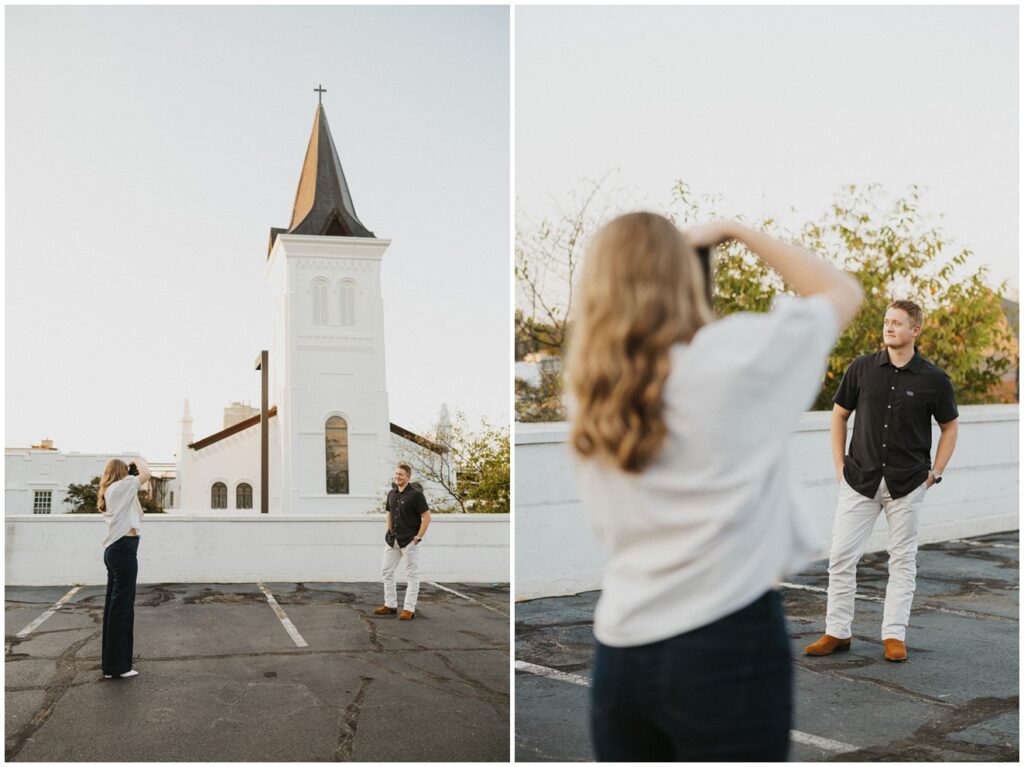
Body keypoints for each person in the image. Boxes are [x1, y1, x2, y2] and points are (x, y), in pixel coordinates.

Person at [565, 212, 863, 761]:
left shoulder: (589, 391)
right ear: (681, 273)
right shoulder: (735, 359)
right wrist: (735, 230)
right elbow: (841, 290)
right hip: (727, 640)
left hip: (621, 649)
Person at [805, 300, 958, 662]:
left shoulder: (934, 379)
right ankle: (837, 632)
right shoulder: (861, 368)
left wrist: (934, 473)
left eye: (897, 323)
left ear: (915, 330)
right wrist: (839, 464)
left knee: (902, 561)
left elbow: (950, 427)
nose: (889, 328)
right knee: (841, 557)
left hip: (907, 484)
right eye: (887, 322)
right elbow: (839, 415)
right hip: (860, 479)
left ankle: (894, 635)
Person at [98, 455, 151, 679]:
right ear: (123, 472)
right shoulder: (123, 485)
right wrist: (137, 459)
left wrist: (133, 488)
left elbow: (139, 514)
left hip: (114, 551)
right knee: (123, 609)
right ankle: (119, 667)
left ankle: (112, 665)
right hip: (124, 550)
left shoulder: (113, 491)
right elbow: (146, 474)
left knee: (114, 609)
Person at [374, 462, 431, 620]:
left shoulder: (416, 495)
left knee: (411, 574)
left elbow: (427, 516)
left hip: (409, 541)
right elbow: (388, 513)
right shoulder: (391, 494)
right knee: (386, 571)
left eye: (401, 474)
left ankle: (409, 609)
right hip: (393, 540)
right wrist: (389, 531)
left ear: (408, 477)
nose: (398, 476)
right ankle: (390, 604)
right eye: (397, 474)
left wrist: (419, 537)